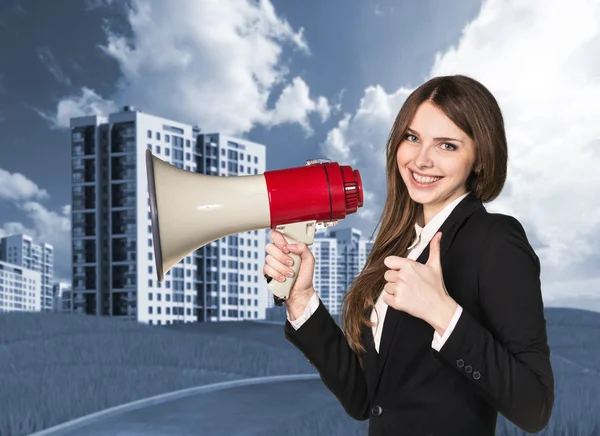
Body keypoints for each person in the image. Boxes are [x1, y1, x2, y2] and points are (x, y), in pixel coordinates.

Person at [263, 74, 554, 436]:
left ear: (480, 157)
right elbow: (364, 400)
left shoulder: (496, 240)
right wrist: (301, 299)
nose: (421, 159)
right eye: (412, 138)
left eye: (446, 145)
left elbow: (535, 406)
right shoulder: (398, 244)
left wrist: (443, 314)